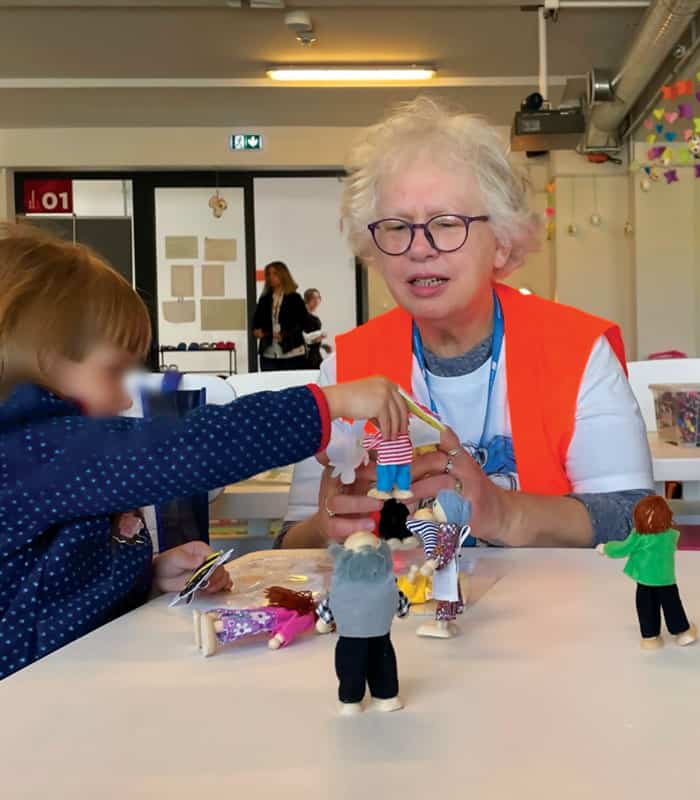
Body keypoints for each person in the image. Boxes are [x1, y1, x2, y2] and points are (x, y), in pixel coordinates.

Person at [0, 223, 409, 679]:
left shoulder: (48, 455)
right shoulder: (29, 451)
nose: (122, 399)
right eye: (113, 372)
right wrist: (328, 404)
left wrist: (147, 575)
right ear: (43, 361)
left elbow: (55, 587)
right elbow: (185, 449)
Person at [278, 96, 653, 550]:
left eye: (447, 222)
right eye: (396, 227)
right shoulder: (346, 367)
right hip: (400, 617)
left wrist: (503, 512)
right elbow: (288, 544)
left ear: (501, 242)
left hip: (549, 612)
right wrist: (326, 526)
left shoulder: (576, 350)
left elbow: (635, 517)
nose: (420, 247)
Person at [597, 495, 696, 649]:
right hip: (666, 580)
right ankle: (682, 632)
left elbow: (622, 548)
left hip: (645, 580)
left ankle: (650, 637)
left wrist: (606, 548)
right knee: (673, 606)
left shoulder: (639, 536)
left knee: (646, 607)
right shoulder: (670, 535)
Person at [252, 261, 308, 371]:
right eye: (268, 274)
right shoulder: (264, 299)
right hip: (268, 352)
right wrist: (256, 330)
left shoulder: (294, 298)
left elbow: (303, 323)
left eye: (275, 273)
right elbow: (256, 322)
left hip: (292, 351)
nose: (271, 277)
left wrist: (286, 335)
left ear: (283, 275)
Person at [303, 288, 332, 370]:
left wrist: (322, 345)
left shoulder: (315, 317)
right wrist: (316, 338)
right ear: (306, 299)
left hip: (315, 353)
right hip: (306, 355)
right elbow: (304, 337)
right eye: (313, 298)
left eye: (318, 298)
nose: (316, 301)